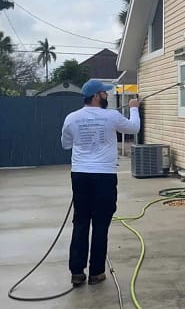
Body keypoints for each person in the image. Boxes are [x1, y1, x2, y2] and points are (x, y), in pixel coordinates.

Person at [60, 79, 141, 287]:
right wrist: (133, 108)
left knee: (80, 222)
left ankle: (77, 273)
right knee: (100, 224)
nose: (107, 96)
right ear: (96, 96)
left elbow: (65, 144)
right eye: (105, 93)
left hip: (80, 175)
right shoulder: (112, 116)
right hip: (104, 176)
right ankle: (96, 272)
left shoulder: (71, 118)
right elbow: (134, 128)